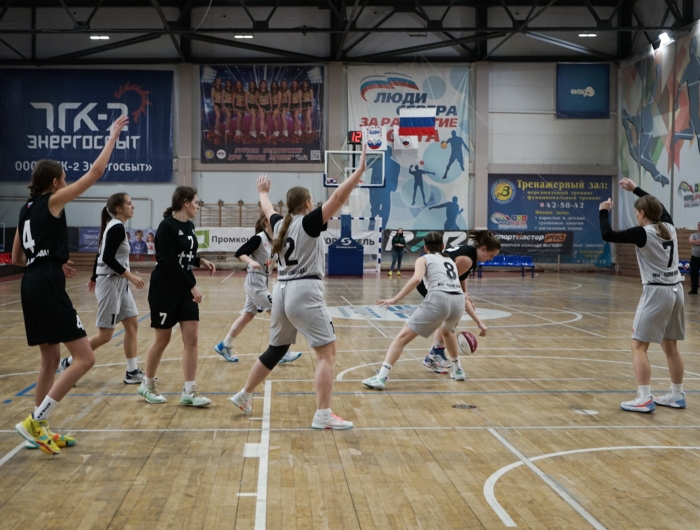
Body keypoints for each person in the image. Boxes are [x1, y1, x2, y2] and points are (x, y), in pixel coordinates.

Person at [12, 116, 129, 455]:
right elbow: (95, 172)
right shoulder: (53, 201)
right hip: (47, 285)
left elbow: (17, 257)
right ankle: (36, 420)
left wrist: (49, 260)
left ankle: (40, 428)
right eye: (63, 178)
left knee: (49, 359)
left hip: (30, 282)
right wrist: (112, 137)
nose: (66, 183)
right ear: (55, 182)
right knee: (85, 358)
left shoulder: (24, 210)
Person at [229, 148, 367, 430]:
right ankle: (323, 414)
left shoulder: (280, 224)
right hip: (304, 290)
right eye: (312, 200)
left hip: (281, 290)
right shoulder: (309, 222)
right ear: (307, 203)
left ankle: (244, 394)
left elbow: (268, 208)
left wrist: (262, 192)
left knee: (276, 349)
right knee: (326, 354)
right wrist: (358, 172)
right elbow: (338, 198)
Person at [599, 177, 685, 412]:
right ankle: (677, 394)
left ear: (642, 214)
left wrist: (603, 211)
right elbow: (659, 206)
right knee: (671, 347)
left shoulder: (642, 233)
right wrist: (635, 189)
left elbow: (608, 235)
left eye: (637, 212)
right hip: (676, 290)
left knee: (638, 345)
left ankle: (645, 397)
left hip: (657, 292)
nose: (636, 216)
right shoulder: (669, 226)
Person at [57, 193, 146, 388]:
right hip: (111, 282)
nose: (133, 206)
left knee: (132, 325)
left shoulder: (115, 226)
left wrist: (93, 276)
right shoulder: (116, 227)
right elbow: (106, 257)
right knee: (105, 335)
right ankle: (69, 363)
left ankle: (132, 372)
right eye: (129, 203)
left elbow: (100, 253)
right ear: (119, 208)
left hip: (118, 282)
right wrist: (131, 276)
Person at [138, 187, 216, 407]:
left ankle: (189, 391)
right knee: (162, 339)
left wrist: (200, 261)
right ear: (185, 202)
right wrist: (192, 286)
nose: (198, 206)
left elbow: (186, 255)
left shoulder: (190, 226)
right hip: (165, 287)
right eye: (196, 202)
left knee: (192, 339)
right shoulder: (166, 226)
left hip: (184, 286)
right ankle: (147, 384)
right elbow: (170, 261)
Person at [363, 232, 466, 390]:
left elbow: (417, 279)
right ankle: (458, 370)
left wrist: (395, 299)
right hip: (459, 300)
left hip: (439, 298)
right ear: (443, 246)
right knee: (446, 332)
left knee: (401, 339)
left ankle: (381, 377)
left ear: (425, 247)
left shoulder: (423, 259)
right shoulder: (449, 260)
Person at [213, 212, 302, 365]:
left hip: (263, 281)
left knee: (247, 315)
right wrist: (250, 262)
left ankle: (224, 345)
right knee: (278, 313)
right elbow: (240, 252)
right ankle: (282, 353)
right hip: (255, 281)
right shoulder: (259, 239)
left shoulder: (275, 241)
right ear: (266, 222)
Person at [420, 230, 500, 374]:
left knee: (451, 315)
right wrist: (478, 321)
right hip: (429, 283)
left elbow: (460, 276)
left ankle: (435, 353)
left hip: (435, 282)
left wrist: (465, 292)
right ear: (483, 249)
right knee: (451, 314)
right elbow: (450, 283)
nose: (491, 259)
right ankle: (435, 353)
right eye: (491, 256)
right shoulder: (467, 260)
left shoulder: (470, 254)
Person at [689, 221, 700, 295]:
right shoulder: (693, 235)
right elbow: (690, 241)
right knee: (693, 274)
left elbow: (693, 242)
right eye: (699, 225)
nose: (699, 227)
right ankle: (694, 289)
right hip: (694, 257)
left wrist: (695, 242)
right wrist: (698, 241)